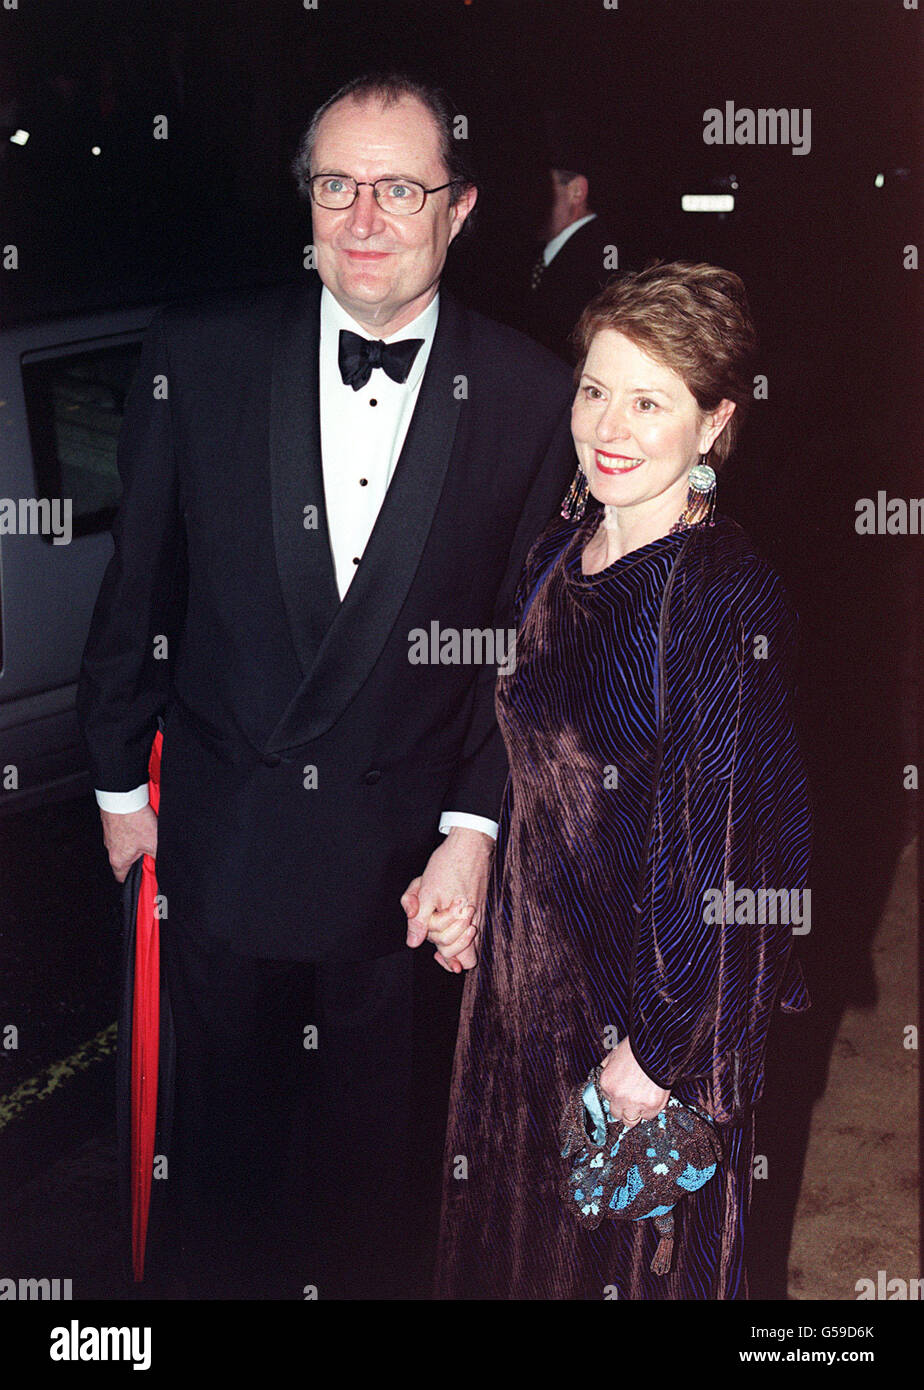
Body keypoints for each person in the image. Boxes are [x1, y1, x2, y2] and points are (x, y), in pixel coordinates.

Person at [76, 71, 576, 1299]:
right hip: (223, 843)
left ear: (459, 210)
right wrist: (111, 782)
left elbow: (522, 647)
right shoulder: (200, 354)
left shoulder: (526, 394)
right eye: (338, 184)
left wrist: (473, 827)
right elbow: (139, 586)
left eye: (399, 188)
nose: (364, 216)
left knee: (378, 1198)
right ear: (306, 199)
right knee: (220, 1182)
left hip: (404, 877)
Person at [434, 261, 812, 1300]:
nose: (611, 424)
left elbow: (740, 849)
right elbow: (532, 756)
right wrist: (470, 854)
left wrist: (660, 1050)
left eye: (651, 401)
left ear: (716, 421)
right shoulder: (563, 549)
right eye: (595, 389)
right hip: (518, 999)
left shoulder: (719, 595)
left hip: (634, 1027)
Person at [523, 159, 628, 360]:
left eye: (546, 186)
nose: (533, 197)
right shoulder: (529, 255)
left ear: (576, 191)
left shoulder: (603, 256)